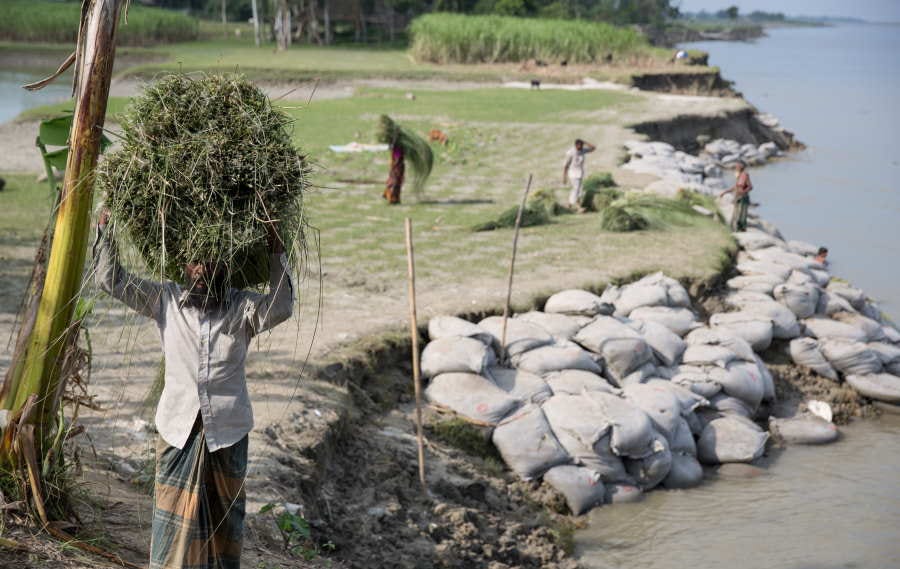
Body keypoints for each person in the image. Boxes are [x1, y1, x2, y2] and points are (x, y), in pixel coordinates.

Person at [94, 208, 294, 569]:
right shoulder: (165, 300)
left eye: (211, 262)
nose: (202, 270)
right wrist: (105, 232)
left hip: (228, 433)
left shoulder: (243, 308)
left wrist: (275, 247)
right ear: (183, 265)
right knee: (172, 528)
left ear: (227, 266)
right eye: (195, 262)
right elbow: (112, 281)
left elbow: (281, 306)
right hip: (177, 430)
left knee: (223, 526)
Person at [719, 161, 753, 231]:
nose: (736, 167)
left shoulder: (745, 175)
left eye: (737, 166)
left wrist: (743, 192)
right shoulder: (739, 176)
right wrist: (725, 192)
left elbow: (750, 187)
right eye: (736, 166)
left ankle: (741, 229)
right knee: (736, 213)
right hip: (737, 196)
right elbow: (735, 187)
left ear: (742, 167)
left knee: (742, 213)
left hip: (743, 197)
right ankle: (734, 229)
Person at [563, 139, 596, 210]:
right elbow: (566, 165)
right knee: (576, 189)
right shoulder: (571, 153)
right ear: (576, 145)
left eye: (582, 145)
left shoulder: (582, 150)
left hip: (580, 173)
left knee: (578, 189)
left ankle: (569, 205)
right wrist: (564, 177)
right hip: (572, 173)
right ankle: (578, 207)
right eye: (580, 145)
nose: (581, 147)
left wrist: (585, 142)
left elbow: (593, 148)